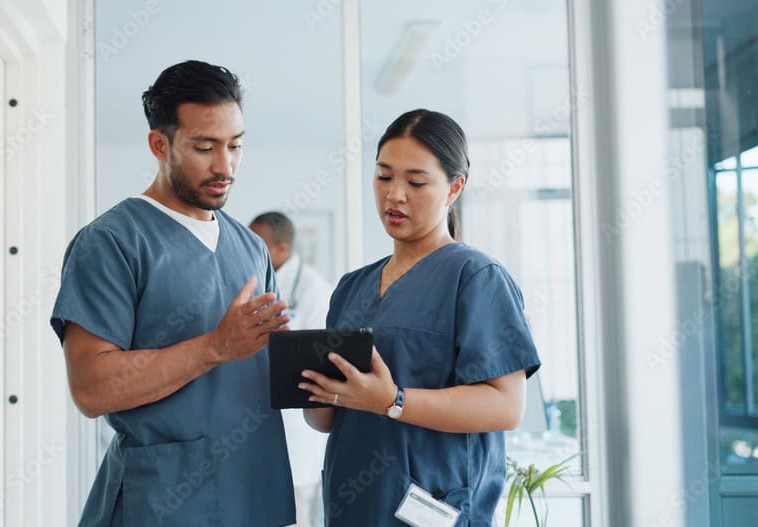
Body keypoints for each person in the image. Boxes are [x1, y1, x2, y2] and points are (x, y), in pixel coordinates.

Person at [50, 60, 296, 527]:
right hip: (164, 503)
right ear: (159, 145)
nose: (225, 165)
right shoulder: (112, 243)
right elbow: (91, 387)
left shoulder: (250, 248)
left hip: (254, 493)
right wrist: (214, 347)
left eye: (235, 146)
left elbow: (264, 370)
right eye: (204, 147)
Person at [300, 109, 541, 526]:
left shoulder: (476, 278)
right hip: (353, 505)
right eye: (383, 176)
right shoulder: (351, 287)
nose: (394, 194)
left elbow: (506, 405)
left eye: (415, 182)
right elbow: (325, 419)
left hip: (432, 509)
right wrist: (312, 387)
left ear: (454, 188)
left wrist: (394, 402)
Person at [249, 211, 334, 527]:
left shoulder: (314, 291)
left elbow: (313, 361)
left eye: (259, 243)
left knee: (295, 516)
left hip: (297, 432)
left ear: (282, 248)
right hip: (255, 426)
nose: (250, 248)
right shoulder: (254, 284)